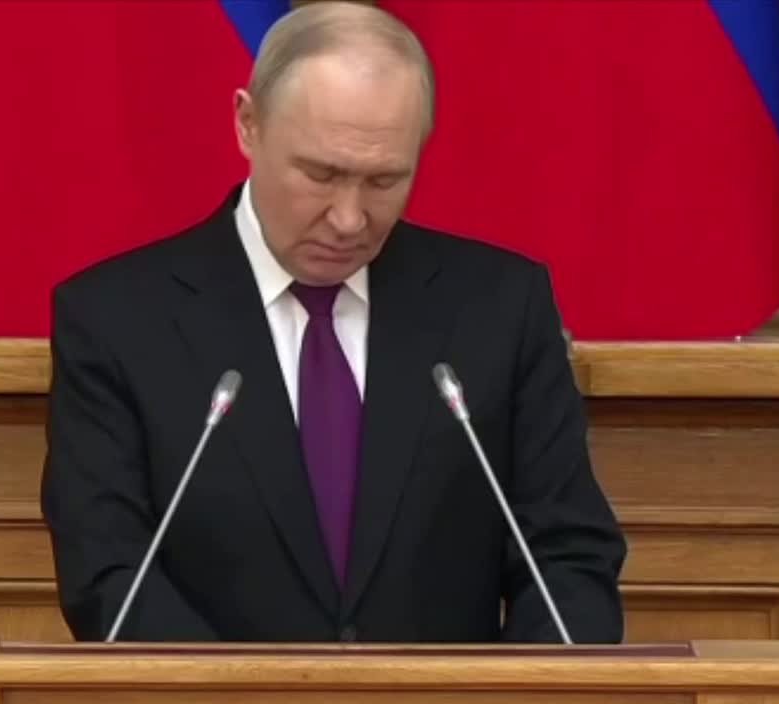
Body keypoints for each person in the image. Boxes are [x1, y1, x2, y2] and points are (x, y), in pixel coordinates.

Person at [41, 0, 626, 644]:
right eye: (321, 174)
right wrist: (245, 695)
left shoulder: (500, 308)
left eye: (384, 181)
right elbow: (109, 574)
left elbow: (565, 560)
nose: (349, 219)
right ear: (248, 125)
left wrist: (522, 693)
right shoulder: (117, 322)